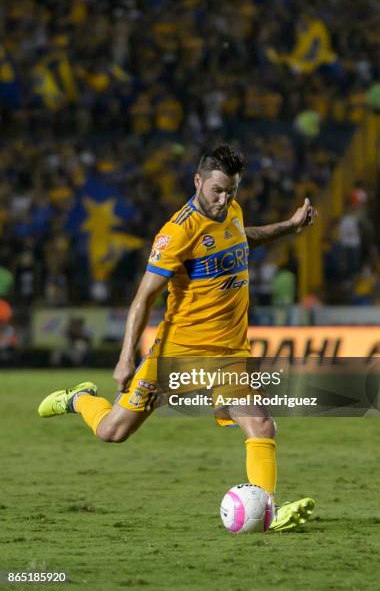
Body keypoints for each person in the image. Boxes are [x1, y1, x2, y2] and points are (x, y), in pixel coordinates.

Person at [38, 145, 317, 531]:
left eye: (231, 192)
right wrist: (125, 358)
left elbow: (240, 238)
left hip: (229, 352)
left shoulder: (232, 211)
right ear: (198, 181)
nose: (223, 200)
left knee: (262, 426)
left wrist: (287, 227)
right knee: (112, 432)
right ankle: (79, 399)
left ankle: (267, 511)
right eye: (217, 190)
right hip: (178, 352)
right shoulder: (177, 232)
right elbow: (143, 298)